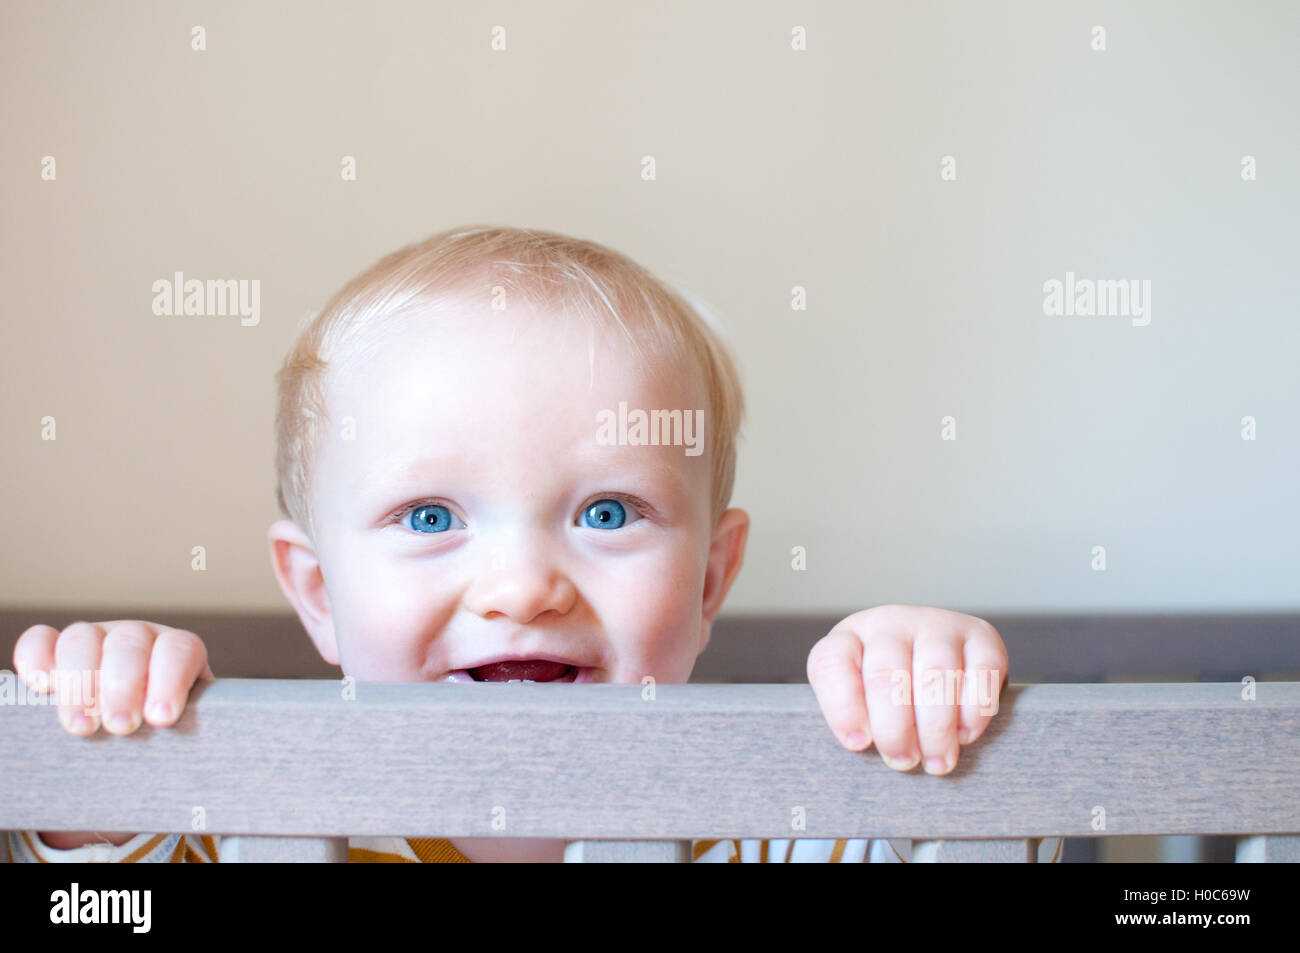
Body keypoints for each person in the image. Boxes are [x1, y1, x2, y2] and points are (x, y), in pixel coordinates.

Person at [9, 225, 1058, 863]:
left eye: (606, 513)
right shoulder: (246, 817)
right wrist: (99, 751)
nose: (521, 587)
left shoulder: (776, 816)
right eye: (430, 517)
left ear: (711, 579)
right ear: (318, 592)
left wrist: (924, 706)